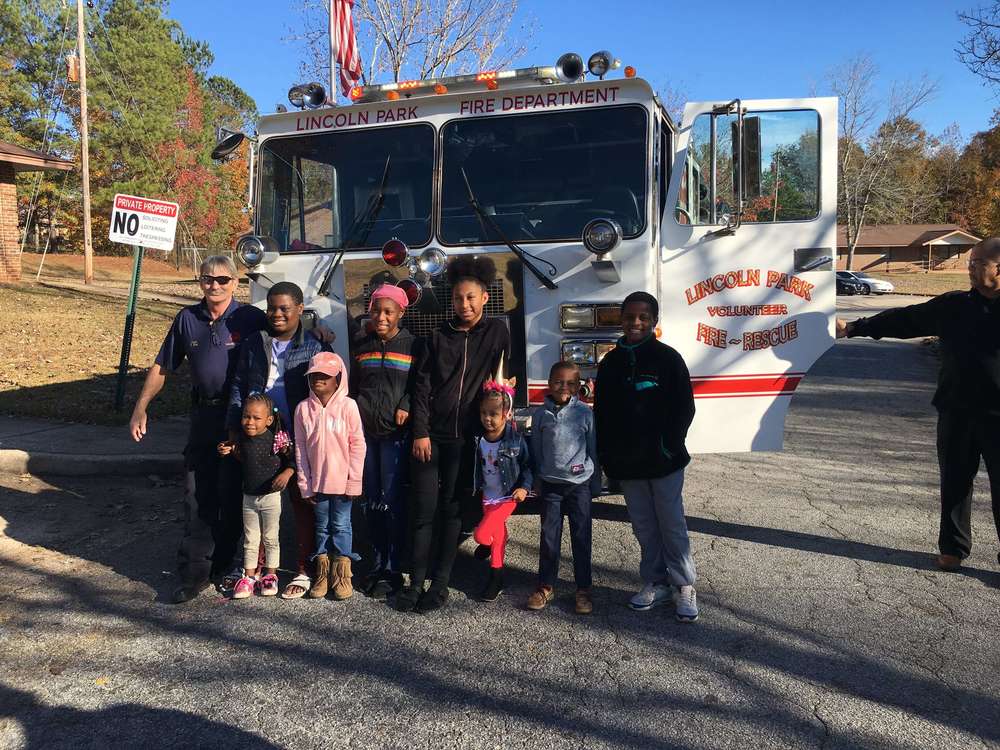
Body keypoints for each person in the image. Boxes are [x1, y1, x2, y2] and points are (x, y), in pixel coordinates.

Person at [836, 238, 1000, 572]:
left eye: (978, 262)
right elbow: (906, 319)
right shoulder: (954, 306)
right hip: (956, 410)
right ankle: (952, 549)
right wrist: (855, 327)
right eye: (970, 261)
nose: (970, 267)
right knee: (955, 482)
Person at [129, 256, 265, 604]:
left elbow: (286, 333)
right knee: (196, 494)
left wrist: (320, 334)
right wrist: (141, 406)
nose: (214, 286)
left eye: (222, 279)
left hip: (240, 419)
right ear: (200, 283)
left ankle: (225, 561)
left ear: (236, 283)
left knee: (233, 494)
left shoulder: (249, 318)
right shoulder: (187, 319)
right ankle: (195, 572)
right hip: (204, 417)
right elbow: (163, 365)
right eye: (207, 279)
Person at [398, 255, 511, 613]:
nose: (464, 305)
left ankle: (440, 585)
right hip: (431, 438)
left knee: (452, 512)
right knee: (423, 510)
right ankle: (415, 583)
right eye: (458, 298)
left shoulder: (497, 333)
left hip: (468, 440)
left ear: (484, 298)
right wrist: (420, 431)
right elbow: (421, 386)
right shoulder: (437, 336)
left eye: (471, 298)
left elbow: (504, 379)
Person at [594, 291, 699, 623]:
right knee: (643, 525)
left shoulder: (668, 358)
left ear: (655, 320)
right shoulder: (610, 363)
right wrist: (608, 455)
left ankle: (683, 584)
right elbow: (603, 414)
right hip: (628, 463)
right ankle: (655, 581)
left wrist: (669, 445)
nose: (635, 323)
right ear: (621, 319)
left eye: (643, 317)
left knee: (671, 523)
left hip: (664, 460)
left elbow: (685, 408)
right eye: (629, 317)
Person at [228, 281, 328, 599]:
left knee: (301, 503)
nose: (277, 314)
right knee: (257, 502)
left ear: (300, 309)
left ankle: (303, 569)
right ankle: (255, 571)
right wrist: (233, 426)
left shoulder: (314, 346)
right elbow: (239, 384)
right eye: (272, 308)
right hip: (260, 435)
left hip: (297, 434)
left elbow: (328, 391)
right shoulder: (255, 343)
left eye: (285, 308)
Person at [350, 283, 419, 599]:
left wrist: (405, 405)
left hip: (394, 436)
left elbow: (418, 385)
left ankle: (393, 568)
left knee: (392, 501)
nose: (381, 316)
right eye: (376, 310)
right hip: (365, 435)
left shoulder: (412, 345)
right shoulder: (361, 344)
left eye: (388, 311)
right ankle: (376, 564)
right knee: (371, 501)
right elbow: (353, 384)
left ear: (401, 313)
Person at [527, 361, 601, 615]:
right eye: (558, 382)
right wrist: (537, 477)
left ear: (579, 386)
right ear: (549, 383)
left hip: (579, 486)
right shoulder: (540, 414)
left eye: (571, 383)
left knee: (581, 537)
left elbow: (592, 447)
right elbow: (536, 449)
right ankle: (545, 585)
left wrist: (595, 481)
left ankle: (583, 589)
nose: (564, 387)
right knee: (549, 538)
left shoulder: (584, 413)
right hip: (550, 486)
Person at [294, 352, 367, 600]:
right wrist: (305, 484)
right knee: (322, 527)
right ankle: (323, 574)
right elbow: (301, 449)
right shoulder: (303, 410)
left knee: (342, 526)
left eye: (325, 375)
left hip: (343, 484)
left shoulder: (349, 407)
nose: (319, 379)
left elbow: (358, 445)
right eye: (314, 374)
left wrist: (353, 480)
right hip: (318, 484)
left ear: (338, 378)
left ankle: (342, 574)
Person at [217, 392, 294, 599]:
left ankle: (270, 575)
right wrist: (227, 448)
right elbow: (237, 451)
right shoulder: (241, 438)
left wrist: (287, 474)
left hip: (270, 497)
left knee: (270, 537)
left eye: (256, 418)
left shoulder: (277, 439)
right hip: (248, 497)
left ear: (269, 420)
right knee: (250, 539)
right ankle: (249, 577)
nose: (249, 422)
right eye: (246, 416)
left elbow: (291, 460)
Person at [470, 381, 533, 602]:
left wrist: (524, 488)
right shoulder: (478, 439)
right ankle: (496, 578)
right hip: (488, 496)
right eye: (484, 413)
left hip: (508, 496)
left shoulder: (514, 439)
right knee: (497, 538)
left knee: (481, 535)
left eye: (494, 414)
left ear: (506, 414)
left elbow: (527, 465)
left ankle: (486, 546)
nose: (488, 418)